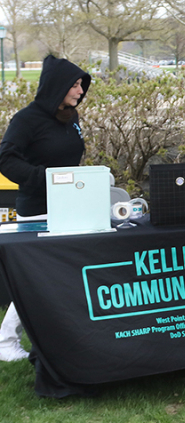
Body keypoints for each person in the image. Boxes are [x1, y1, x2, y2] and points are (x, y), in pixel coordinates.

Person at [0, 55, 90, 362]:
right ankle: (5, 341)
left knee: (58, 276)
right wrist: (46, 179)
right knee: (36, 277)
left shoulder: (70, 117)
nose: (80, 91)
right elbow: (6, 160)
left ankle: (59, 339)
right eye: (75, 85)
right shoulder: (26, 120)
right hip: (38, 209)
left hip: (71, 206)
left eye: (81, 85)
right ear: (57, 86)